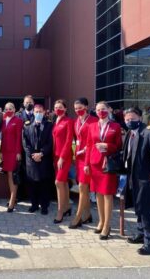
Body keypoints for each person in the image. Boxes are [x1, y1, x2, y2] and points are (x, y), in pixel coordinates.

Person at [122, 107, 150, 255]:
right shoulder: (130, 133)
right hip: (133, 177)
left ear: (140, 118)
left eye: (132, 119)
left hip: (146, 178)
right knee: (138, 206)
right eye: (127, 119)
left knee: (145, 210)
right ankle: (140, 233)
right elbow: (127, 153)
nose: (130, 121)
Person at [84, 101, 122, 239]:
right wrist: (86, 164)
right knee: (98, 194)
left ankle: (107, 225)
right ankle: (100, 221)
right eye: (98, 110)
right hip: (95, 163)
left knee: (107, 194)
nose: (101, 112)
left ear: (109, 109)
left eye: (103, 109)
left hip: (108, 164)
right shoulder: (92, 126)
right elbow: (88, 145)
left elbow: (118, 146)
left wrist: (107, 146)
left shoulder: (115, 126)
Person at [69, 98, 97, 228]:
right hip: (79, 157)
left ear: (86, 107)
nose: (78, 111)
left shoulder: (93, 121)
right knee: (83, 188)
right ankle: (87, 214)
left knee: (82, 187)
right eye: (75, 109)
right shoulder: (76, 121)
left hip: (89, 157)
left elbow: (95, 139)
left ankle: (78, 216)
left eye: (80, 108)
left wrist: (88, 148)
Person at [22, 104, 53, 215]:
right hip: (31, 160)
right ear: (33, 112)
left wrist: (41, 154)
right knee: (32, 183)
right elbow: (25, 143)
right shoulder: (27, 125)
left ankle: (44, 206)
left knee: (44, 183)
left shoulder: (49, 125)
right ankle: (34, 205)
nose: (38, 113)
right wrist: (33, 155)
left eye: (40, 111)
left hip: (44, 159)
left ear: (44, 112)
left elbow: (50, 143)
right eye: (36, 111)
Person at [52, 100, 74, 223]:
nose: (58, 109)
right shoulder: (56, 121)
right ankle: (66, 207)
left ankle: (60, 211)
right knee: (64, 182)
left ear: (65, 109)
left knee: (58, 182)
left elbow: (68, 141)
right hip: (55, 156)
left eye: (60, 107)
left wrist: (62, 157)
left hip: (63, 157)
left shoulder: (68, 121)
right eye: (56, 107)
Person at [0, 102, 23, 212]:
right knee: (9, 175)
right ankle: (12, 198)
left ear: (15, 109)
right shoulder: (4, 121)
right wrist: (1, 151)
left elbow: (19, 137)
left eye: (11, 108)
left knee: (13, 176)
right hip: (5, 152)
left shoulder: (18, 121)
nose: (9, 110)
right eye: (7, 108)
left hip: (14, 152)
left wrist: (18, 152)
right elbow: (3, 137)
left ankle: (12, 202)